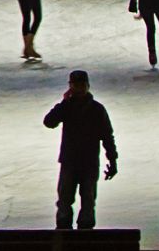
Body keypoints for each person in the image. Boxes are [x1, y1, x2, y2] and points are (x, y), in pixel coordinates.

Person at [44, 69, 119, 230]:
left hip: (87, 163)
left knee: (87, 201)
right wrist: (63, 103)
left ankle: (82, 236)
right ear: (70, 87)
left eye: (81, 85)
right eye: (75, 85)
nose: (79, 88)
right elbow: (49, 122)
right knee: (66, 201)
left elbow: (107, 136)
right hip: (71, 162)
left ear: (87, 86)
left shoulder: (97, 110)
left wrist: (113, 160)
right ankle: (65, 234)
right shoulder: (67, 107)